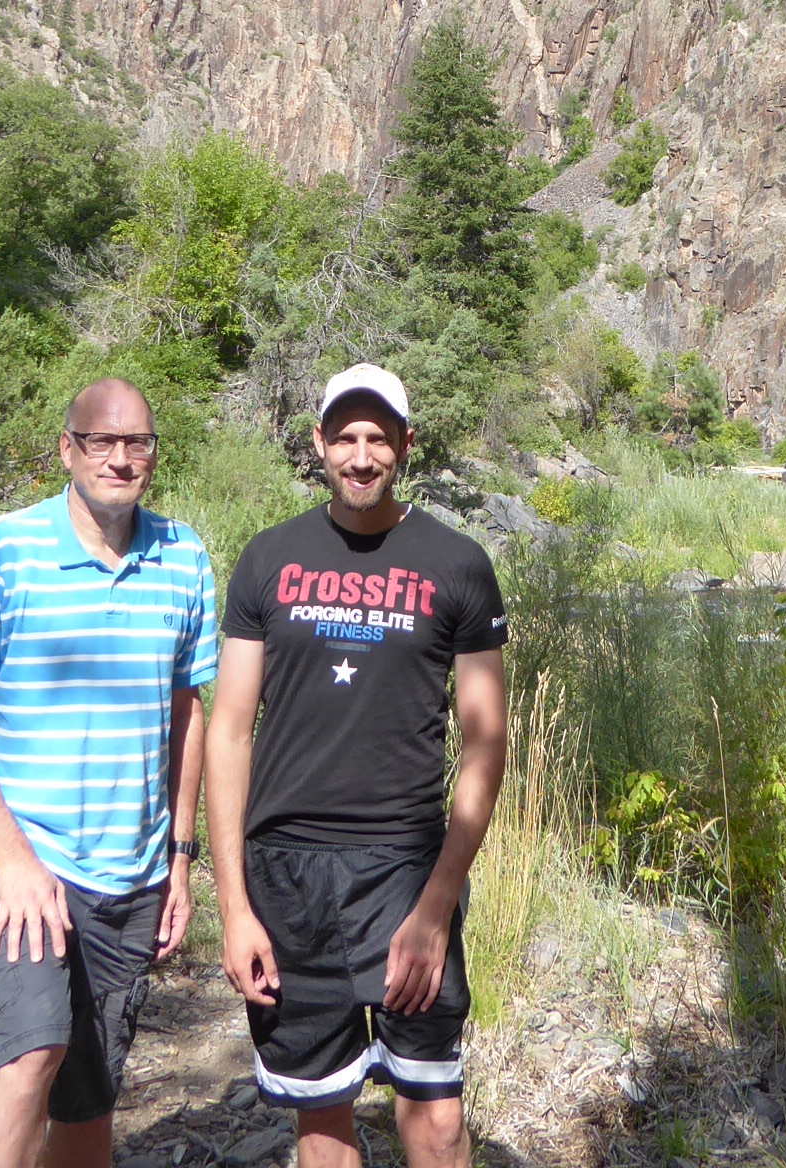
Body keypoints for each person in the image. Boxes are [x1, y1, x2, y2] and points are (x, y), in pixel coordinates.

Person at [206, 363, 508, 1168]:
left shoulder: (458, 563)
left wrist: (436, 906)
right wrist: (233, 907)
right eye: (345, 437)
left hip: (404, 871)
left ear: (407, 445)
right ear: (319, 443)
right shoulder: (269, 558)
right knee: (320, 1116)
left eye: (379, 438)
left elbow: (486, 741)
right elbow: (229, 732)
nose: (362, 456)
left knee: (436, 1117)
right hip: (287, 875)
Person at [0, 379, 219, 1168]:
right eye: (101, 441)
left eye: (137, 442)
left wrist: (181, 857)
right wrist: (13, 860)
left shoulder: (183, 557)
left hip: (132, 867)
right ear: (67, 449)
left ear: (154, 453)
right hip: (21, 852)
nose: (120, 459)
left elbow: (187, 713)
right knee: (32, 1043)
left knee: (88, 1093)